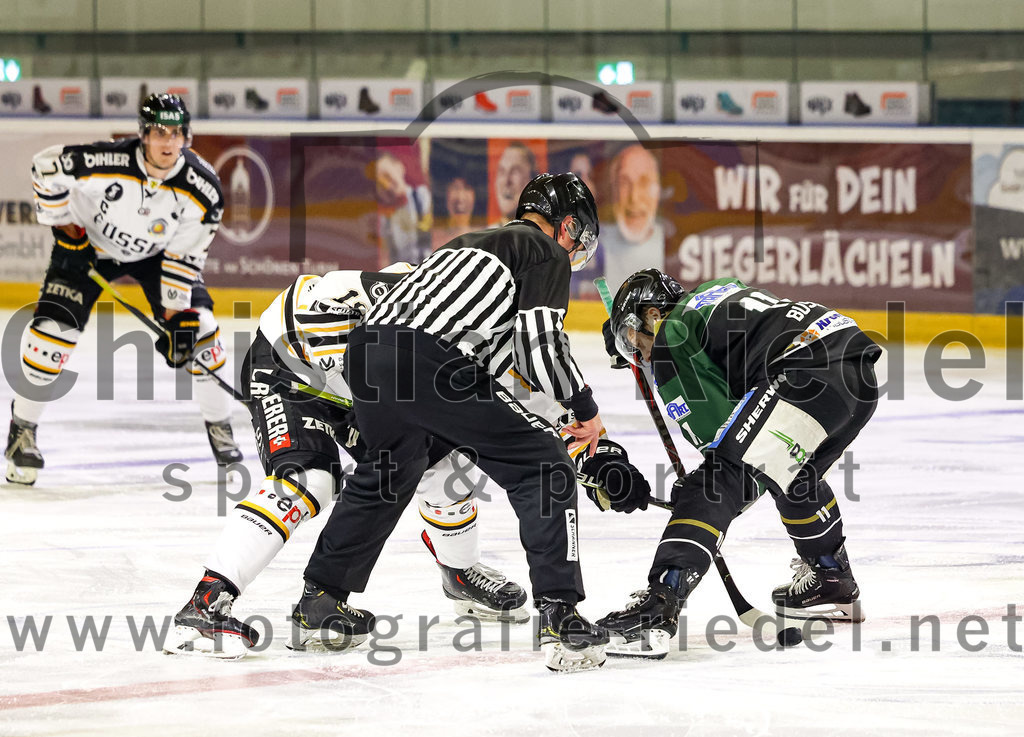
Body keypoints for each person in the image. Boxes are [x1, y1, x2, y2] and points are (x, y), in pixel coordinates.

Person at [295, 173, 612, 673]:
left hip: (368, 350)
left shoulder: (466, 245)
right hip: (427, 360)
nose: (573, 254)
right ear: (566, 224)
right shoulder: (541, 251)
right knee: (543, 466)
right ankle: (560, 614)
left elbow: (484, 372)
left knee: (391, 472)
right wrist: (584, 409)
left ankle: (320, 601)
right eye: (578, 240)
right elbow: (539, 349)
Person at [595, 269, 881, 657]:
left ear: (650, 315)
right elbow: (753, 448)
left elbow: (726, 458)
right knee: (790, 471)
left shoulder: (671, 335)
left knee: (715, 481)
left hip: (803, 368)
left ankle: (659, 606)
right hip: (854, 367)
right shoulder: (712, 295)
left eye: (633, 340)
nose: (639, 354)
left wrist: (699, 498)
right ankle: (831, 576)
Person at [6, 93, 241, 485]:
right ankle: (22, 432)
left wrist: (175, 317)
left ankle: (221, 430)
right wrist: (67, 230)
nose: (167, 143)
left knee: (201, 334)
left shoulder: (204, 189)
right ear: (143, 135)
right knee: (50, 339)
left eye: (176, 133)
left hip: (157, 257)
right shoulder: (106, 162)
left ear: (187, 137)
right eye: (158, 132)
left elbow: (183, 257)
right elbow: (45, 165)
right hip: (86, 250)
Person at [600, 145, 665, 292]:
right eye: (624, 183)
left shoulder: (675, 248)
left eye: (644, 182)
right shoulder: (594, 249)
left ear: (658, 190)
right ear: (613, 189)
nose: (634, 198)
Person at [490, 141, 536, 225]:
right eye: (502, 171)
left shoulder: (543, 236)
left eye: (515, 172)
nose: (506, 181)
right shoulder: (485, 236)